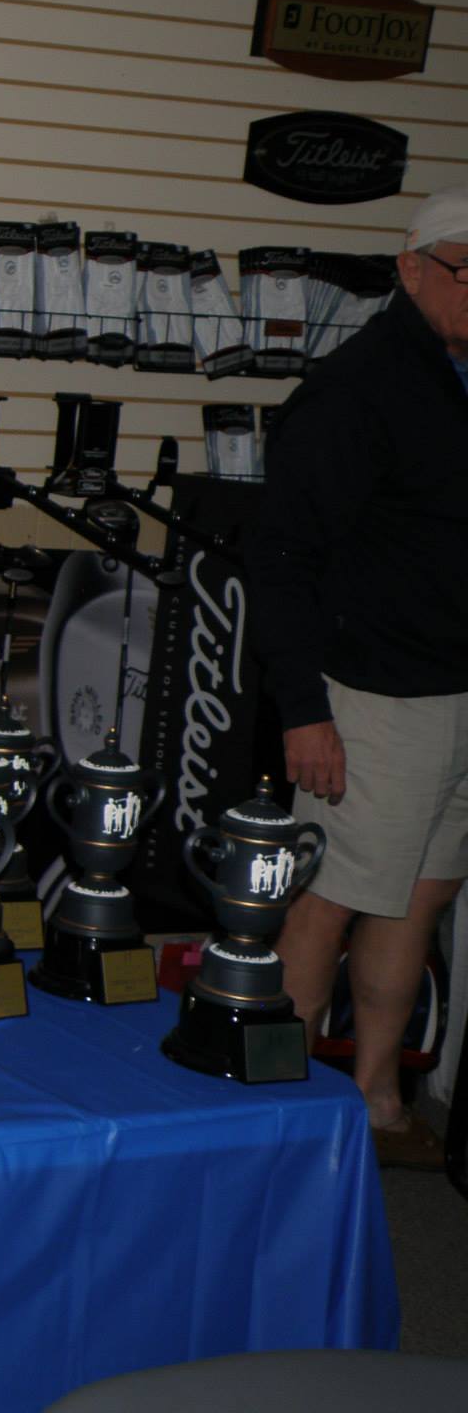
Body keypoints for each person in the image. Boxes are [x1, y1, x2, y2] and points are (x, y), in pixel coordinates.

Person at [247, 187, 468, 1167]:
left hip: (455, 692)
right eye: (466, 270)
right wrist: (304, 711)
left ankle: (376, 1098)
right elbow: (280, 557)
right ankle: (281, 1119)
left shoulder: (458, 379)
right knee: (330, 900)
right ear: (410, 267)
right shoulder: (355, 388)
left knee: (416, 900)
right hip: (372, 699)